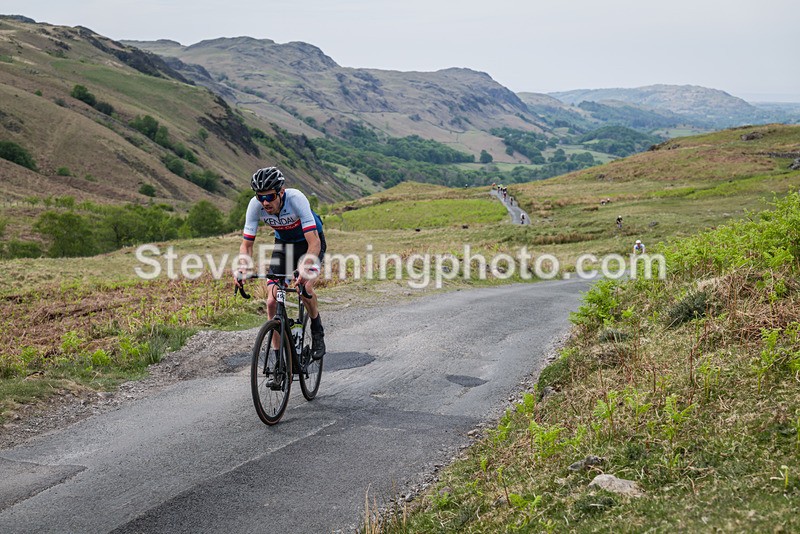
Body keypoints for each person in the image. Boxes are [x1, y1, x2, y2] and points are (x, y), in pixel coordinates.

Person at [233, 167, 327, 360]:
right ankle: (278, 362)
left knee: (305, 287)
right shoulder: (255, 205)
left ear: (281, 192)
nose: (265, 202)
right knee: (271, 301)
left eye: (270, 196)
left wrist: (304, 268)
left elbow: (314, 243)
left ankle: (317, 331)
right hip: (284, 245)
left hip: (310, 242)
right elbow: (247, 245)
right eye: (261, 197)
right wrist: (243, 266)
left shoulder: (296, 199)